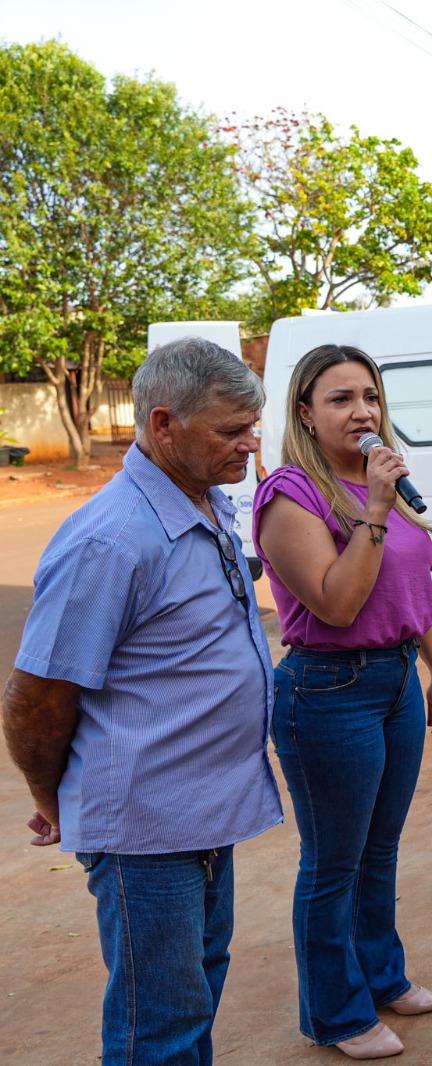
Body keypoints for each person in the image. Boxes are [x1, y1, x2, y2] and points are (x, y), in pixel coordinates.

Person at [2, 338, 282, 1064]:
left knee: (196, 991)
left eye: (251, 427)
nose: (250, 445)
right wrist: (56, 797)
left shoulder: (206, 500)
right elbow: (35, 698)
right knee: (159, 1025)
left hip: (205, 811)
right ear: (163, 425)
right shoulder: (112, 539)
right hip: (145, 831)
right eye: (230, 431)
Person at [254, 344, 432, 1060]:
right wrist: (373, 505)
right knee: (333, 861)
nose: (362, 411)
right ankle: (336, 1014)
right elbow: (338, 604)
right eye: (340, 399)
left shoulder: (381, 482)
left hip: (396, 681)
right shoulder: (290, 494)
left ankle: (381, 976)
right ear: (305, 414)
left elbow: (411, 589)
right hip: (329, 690)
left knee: (380, 849)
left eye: (369, 395)